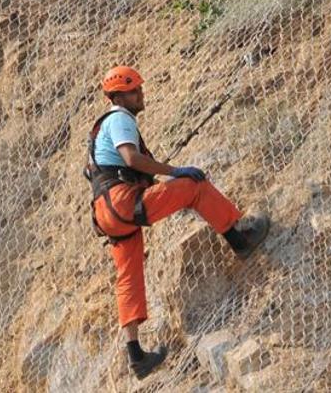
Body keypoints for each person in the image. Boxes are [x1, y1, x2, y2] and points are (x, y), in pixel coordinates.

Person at [84, 66, 270, 380]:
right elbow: (131, 159)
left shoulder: (101, 129)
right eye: (135, 91)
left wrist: (159, 182)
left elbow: (112, 170)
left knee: (128, 274)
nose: (141, 95)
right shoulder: (120, 119)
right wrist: (175, 171)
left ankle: (136, 356)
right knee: (194, 186)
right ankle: (240, 239)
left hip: (106, 213)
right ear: (119, 96)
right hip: (124, 202)